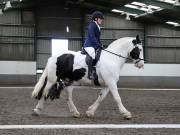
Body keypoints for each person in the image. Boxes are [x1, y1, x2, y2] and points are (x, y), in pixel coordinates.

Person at [83, 11, 104, 80]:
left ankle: (95, 70)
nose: (101, 20)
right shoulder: (92, 25)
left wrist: (100, 44)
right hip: (89, 45)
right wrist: (98, 45)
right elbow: (92, 37)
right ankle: (90, 74)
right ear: (96, 19)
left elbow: (97, 38)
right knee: (92, 54)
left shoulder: (97, 26)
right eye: (100, 19)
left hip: (94, 45)